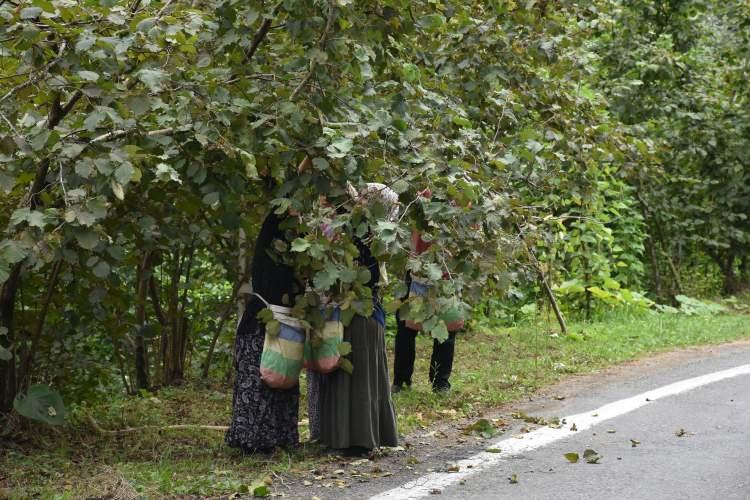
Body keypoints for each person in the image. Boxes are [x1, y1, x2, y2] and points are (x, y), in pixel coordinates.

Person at [226, 211, 303, 453]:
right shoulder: (273, 242)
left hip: (284, 320)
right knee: (260, 379)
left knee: (282, 378)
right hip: (263, 320)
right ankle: (253, 440)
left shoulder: (296, 246)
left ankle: (278, 438)